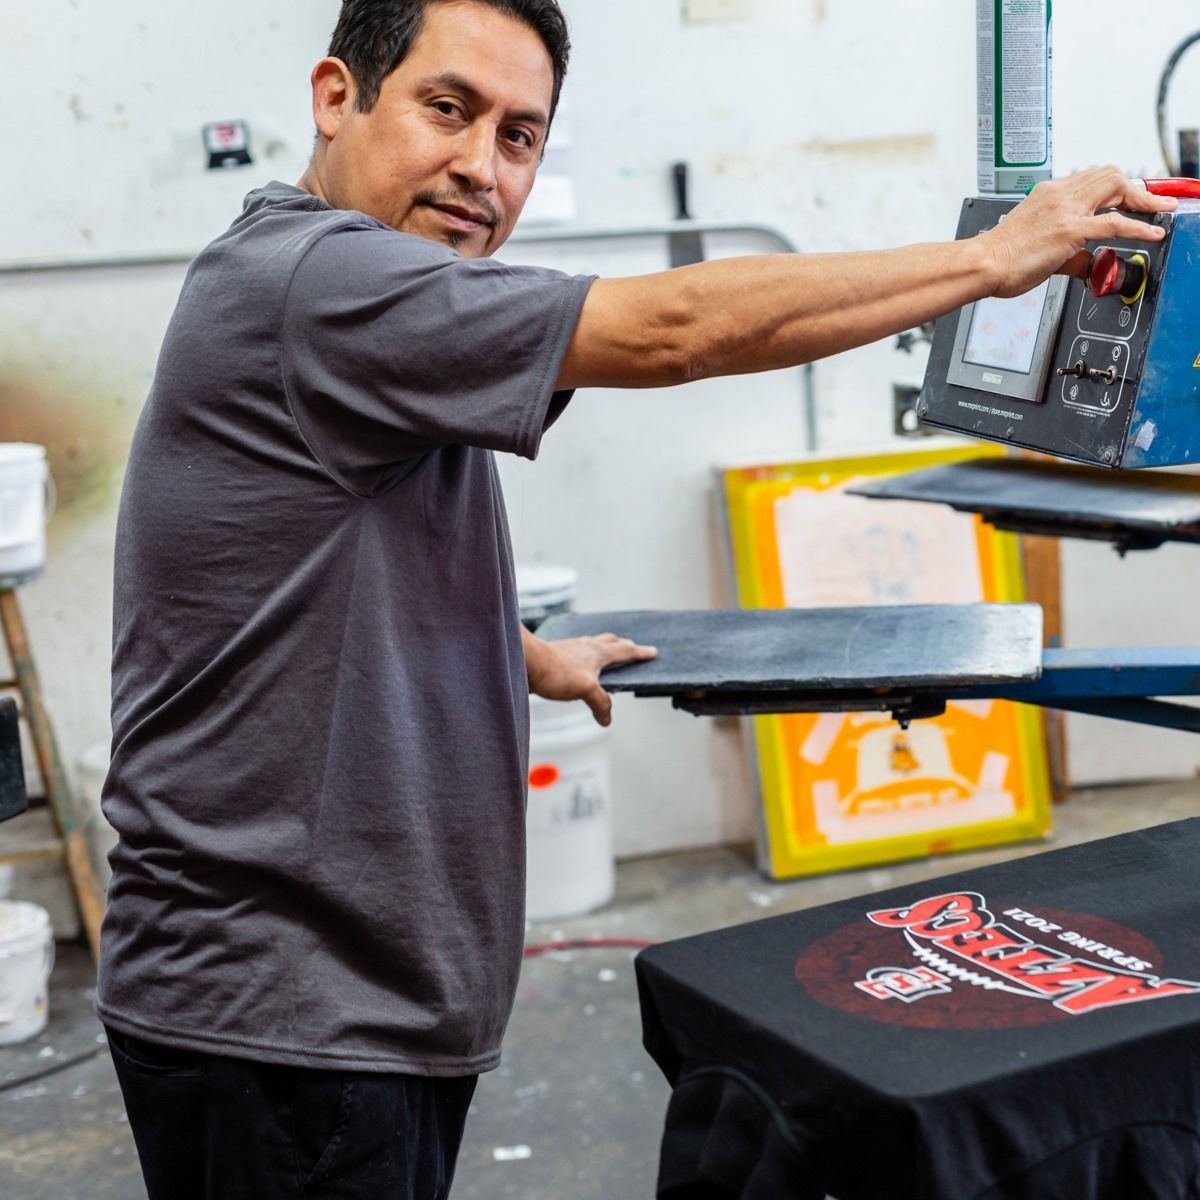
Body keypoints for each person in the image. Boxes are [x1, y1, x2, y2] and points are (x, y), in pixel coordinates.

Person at [95, 1, 1176, 1197]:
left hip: (315, 1001)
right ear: (337, 96)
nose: (479, 167)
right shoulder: (326, 277)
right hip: (288, 1012)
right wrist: (992, 258)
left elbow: (294, 557)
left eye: (519, 137)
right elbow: (670, 333)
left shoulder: (320, 292)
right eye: (447, 109)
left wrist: (508, 650)